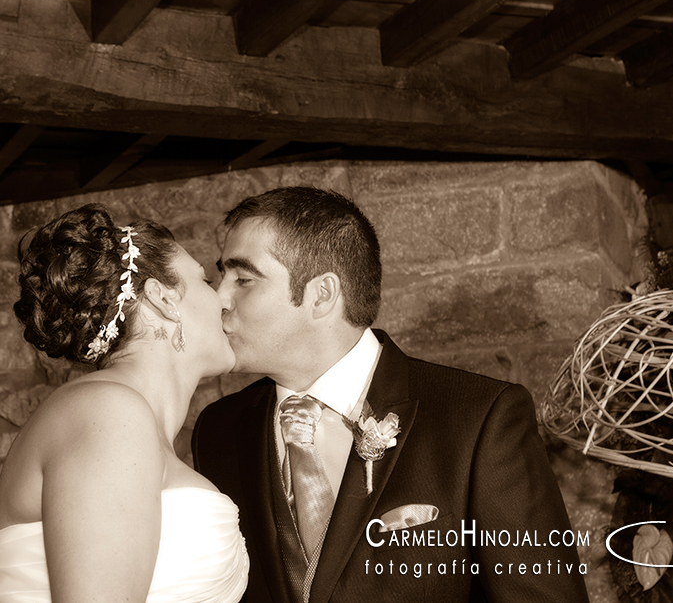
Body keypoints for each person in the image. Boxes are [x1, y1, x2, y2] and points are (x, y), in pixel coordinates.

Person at [192, 186, 590, 603]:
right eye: (221, 277)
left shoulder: (478, 418)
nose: (218, 298)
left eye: (243, 279)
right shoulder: (217, 429)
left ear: (322, 295)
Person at [0, 204, 249, 603]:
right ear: (162, 299)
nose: (222, 300)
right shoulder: (109, 413)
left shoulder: (117, 415)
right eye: (205, 279)